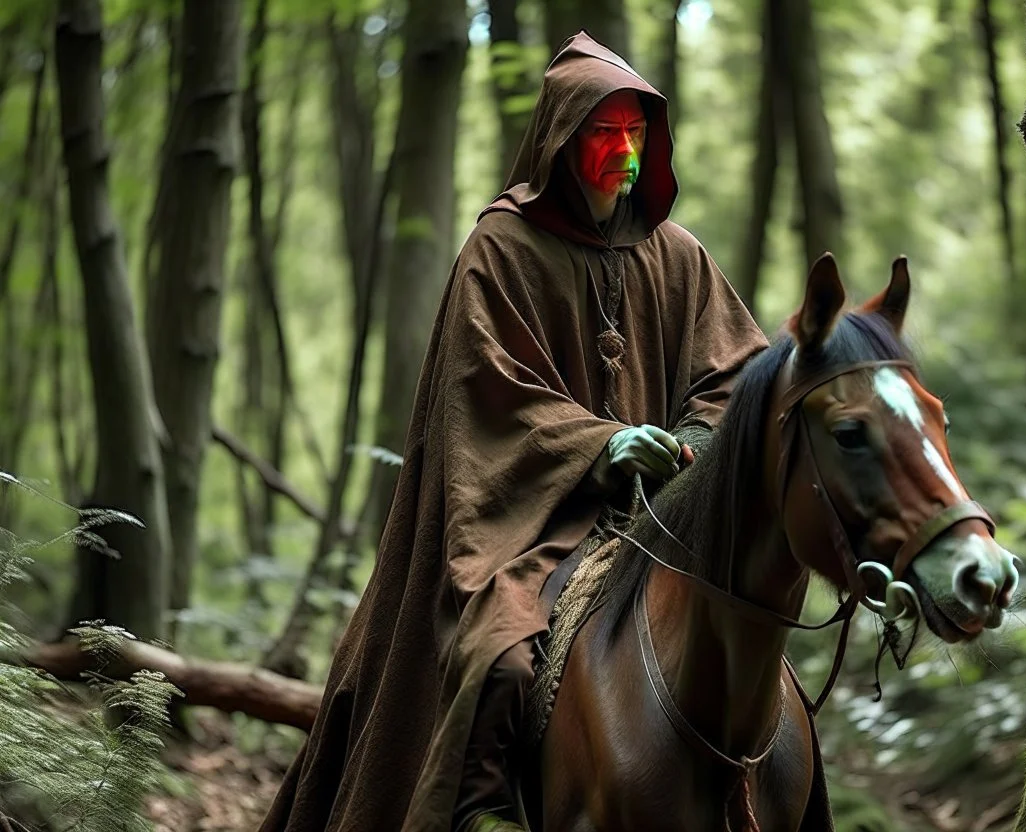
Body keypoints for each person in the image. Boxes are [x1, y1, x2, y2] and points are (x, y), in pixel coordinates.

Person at [259, 31, 769, 832]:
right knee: (500, 655)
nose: (623, 149)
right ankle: (481, 811)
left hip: (665, 522)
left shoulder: (679, 256)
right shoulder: (499, 248)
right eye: (604, 133)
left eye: (635, 133)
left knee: (763, 674)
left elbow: (739, 377)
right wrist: (599, 446)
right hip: (530, 524)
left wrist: (694, 448)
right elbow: (487, 398)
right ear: (563, 142)